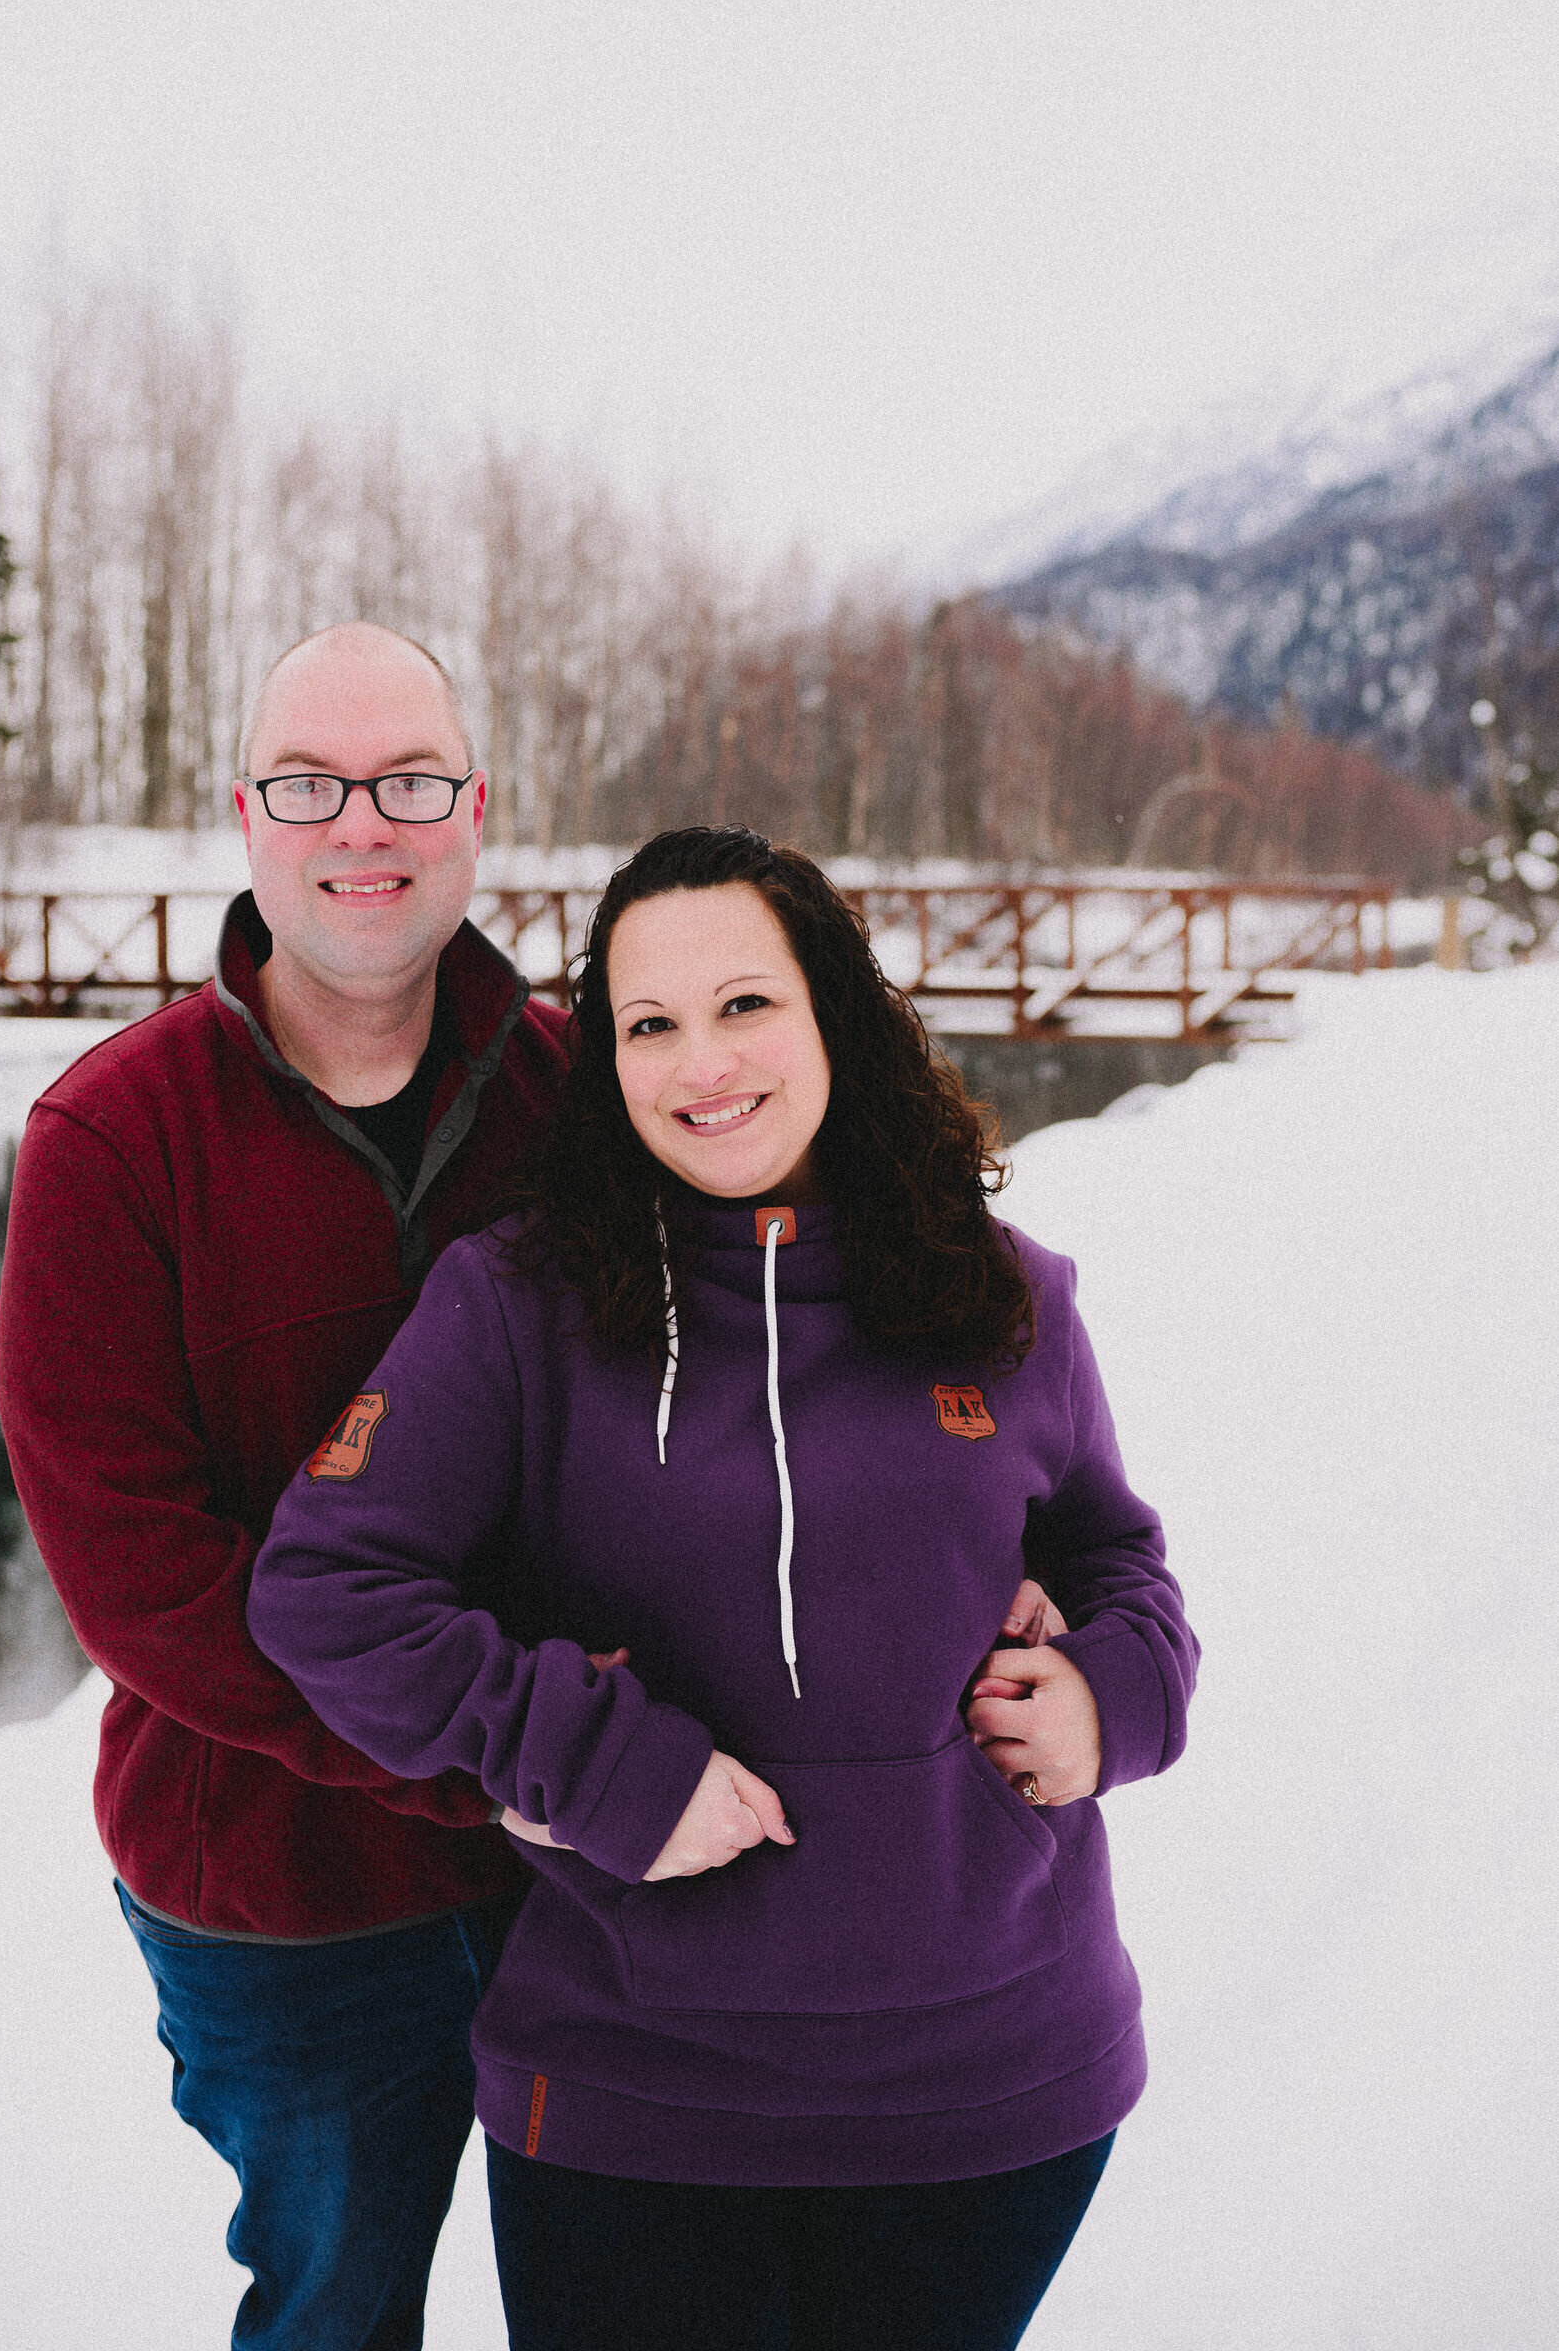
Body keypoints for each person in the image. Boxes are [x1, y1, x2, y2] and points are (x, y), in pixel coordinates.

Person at [248, 823, 1201, 2351]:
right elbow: (327, 1590)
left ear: (833, 1013)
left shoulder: (1005, 1291)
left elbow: (1108, 1552)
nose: (703, 1063)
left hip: (990, 2091)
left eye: (745, 1005)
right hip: (636, 2100)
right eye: (648, 1024)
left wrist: (1116, 1693)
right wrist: (591, 1757)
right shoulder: (517, 1303)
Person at [0, 623, 570, 2351]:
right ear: (246, 819)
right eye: (311, 786)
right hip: (280, 1899)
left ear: (475, 810)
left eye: (406, 783)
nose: (360, 828)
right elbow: (140, 1580)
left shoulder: (579, 1090)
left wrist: (982, 1534)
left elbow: (765, 1361)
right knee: (335, 2308)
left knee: (635, 2298)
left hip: (586, 1863)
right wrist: (485, 1759)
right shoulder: (109, 1139)